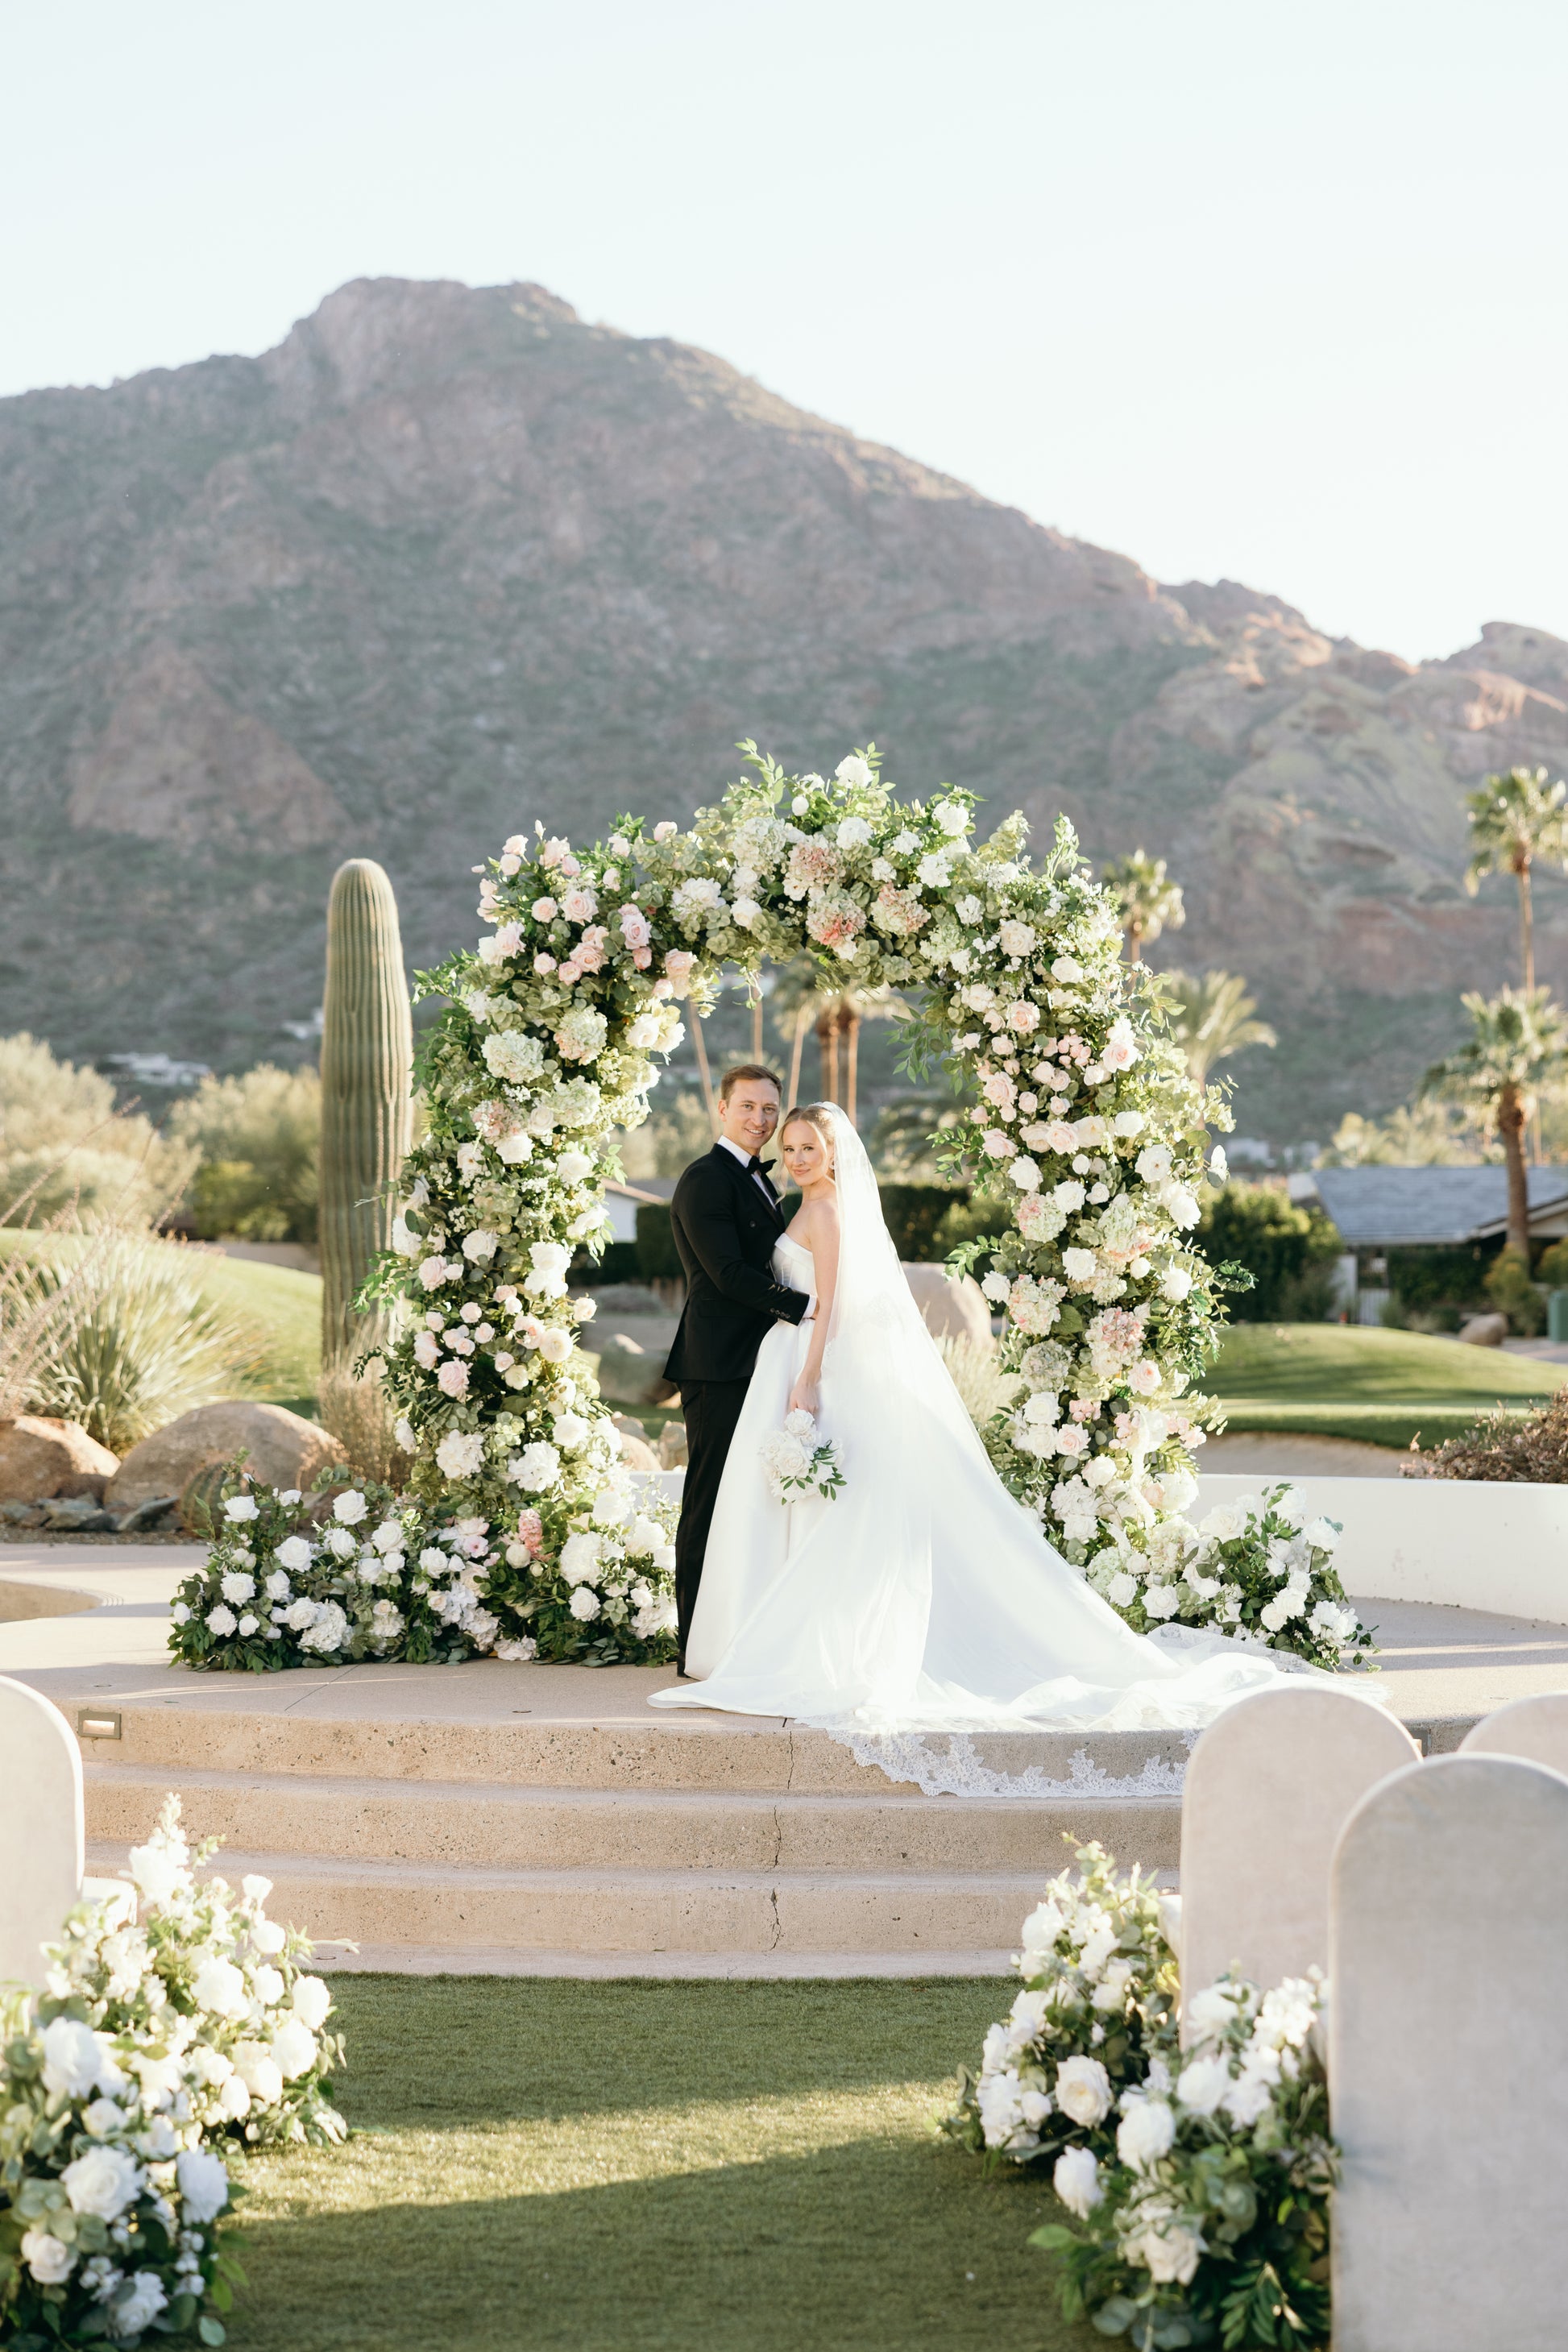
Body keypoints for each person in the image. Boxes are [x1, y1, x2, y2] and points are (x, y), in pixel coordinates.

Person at [650, 1101, 1321, 1736]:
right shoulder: (807, 1201)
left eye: (808, 1147)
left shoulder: (824, 1211)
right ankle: (780, 1632)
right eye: (791, 1147)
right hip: (788, 1355)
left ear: (833, 1153)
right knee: (803, 1502)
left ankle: (806, 1642)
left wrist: (808, 1376)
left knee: (827, 1503)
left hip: (806, 1358)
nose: (797, 1157)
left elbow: (827, 1303)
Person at [662, 1064, 810, 1673]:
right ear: (722, 1109)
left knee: (744, 1503)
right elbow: (726, 1275)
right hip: (717, 1366)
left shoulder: (758, 1180)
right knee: (708, 1502)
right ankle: (694, 1646)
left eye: (769, 1109)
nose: (760, 1119)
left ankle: (737, 1635)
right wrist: (808, 1308)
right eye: (748, 1106)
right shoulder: (705, 1180)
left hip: (760, 1363)